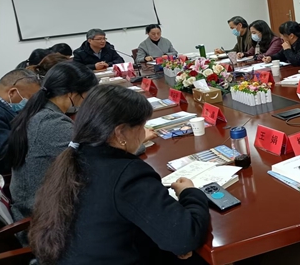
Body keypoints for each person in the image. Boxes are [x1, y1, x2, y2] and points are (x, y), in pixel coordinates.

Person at [29, 84, 210, 265]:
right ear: (121, 132)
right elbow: (186, 237)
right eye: (141, 126)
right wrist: (189, 193)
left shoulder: (73, 158)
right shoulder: (127, 174)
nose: (143, 133)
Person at [9, 61, 99, 223]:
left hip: (40, 202)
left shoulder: (40, 110)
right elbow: (96, 156)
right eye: (87, 96)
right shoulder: (50, 123)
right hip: (45, 219)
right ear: (72, 94)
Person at [0, 70, 41, 174]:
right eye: (30, 98)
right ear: (12, 92)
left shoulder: (2, 107)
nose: (30, 103)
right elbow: (4, 152)